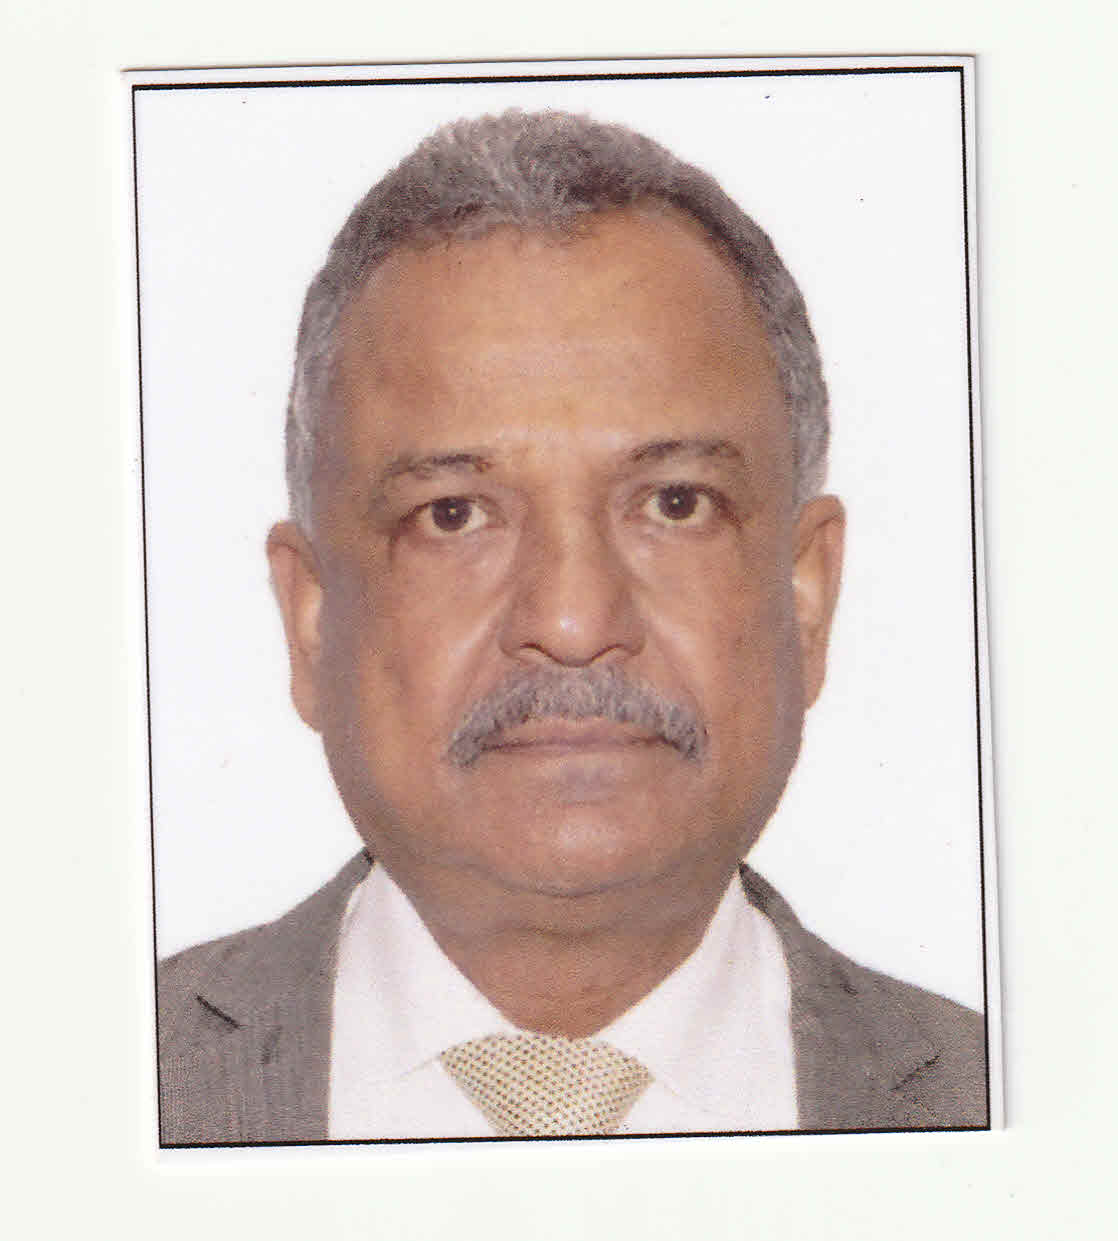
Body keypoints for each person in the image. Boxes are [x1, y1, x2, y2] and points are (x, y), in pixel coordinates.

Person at [156, 109, 987, 1144]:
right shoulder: (79, 1097)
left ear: (806, 594)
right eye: (452, 514)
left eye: (674, 503)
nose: (571, 619)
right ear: (310, 620)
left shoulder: (1030, 1111)